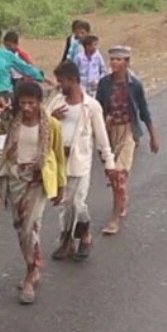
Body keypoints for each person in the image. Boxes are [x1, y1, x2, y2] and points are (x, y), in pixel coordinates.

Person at [0, 80, 65, 305]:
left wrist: (61, 185)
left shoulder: (52, 125)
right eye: (23, 103)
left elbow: (58, 156)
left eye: (31, 103)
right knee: (21, 228)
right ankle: (32, 265)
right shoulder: (11, 120)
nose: (27, 108)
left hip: (37, 182)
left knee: (30, 226)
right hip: (14, 179)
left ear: (39, 102)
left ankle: (31, 272)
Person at [47, 61, 116, 261]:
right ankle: (70, 240)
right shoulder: (56, 102)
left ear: (73, 80)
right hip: (59, 163)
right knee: (66, 205)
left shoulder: (91, 106)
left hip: (80, 162)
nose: (59, 85)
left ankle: (80, 237)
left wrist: (109, 163)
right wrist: (52, 117)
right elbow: (41, 125)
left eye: (62, 81)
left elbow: (102, 137)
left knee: (77, 203)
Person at [95, 45, 160, 234]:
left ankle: (114, 219)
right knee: (111, 173)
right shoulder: (104, 83)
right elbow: (98, 109)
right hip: (108, 132)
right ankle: (121, 199)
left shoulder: (135, 84)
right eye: (113, 59)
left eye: (119, 59)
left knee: (118, 175)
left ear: (127, 62)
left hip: (128, 132)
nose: (115, 63)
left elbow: (144, 110)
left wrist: (153, 136)